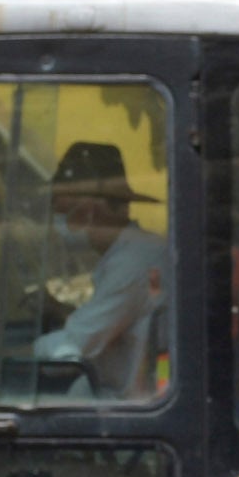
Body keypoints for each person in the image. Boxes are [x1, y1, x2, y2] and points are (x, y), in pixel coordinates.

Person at [42, 133, 173, 400]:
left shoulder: (133, 264)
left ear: (91, 209)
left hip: (131, 416)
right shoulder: (135, 254)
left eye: (64, 210)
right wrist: (62, 312)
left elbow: (72, 350)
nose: (59, 221)